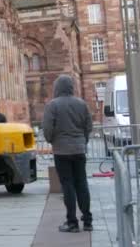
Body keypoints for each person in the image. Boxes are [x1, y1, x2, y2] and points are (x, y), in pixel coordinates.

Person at [42, 75, 93, 233]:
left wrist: (52, 140)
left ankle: (72, 222)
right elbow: (88, 126)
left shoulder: (53, 105)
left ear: (57, 88)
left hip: (61, 151)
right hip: (79, 149)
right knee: (82, 183)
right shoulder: (81, 103)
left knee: (68, 185)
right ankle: (87, 220)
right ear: (71, 87)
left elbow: (47, 128)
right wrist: (82, 140)